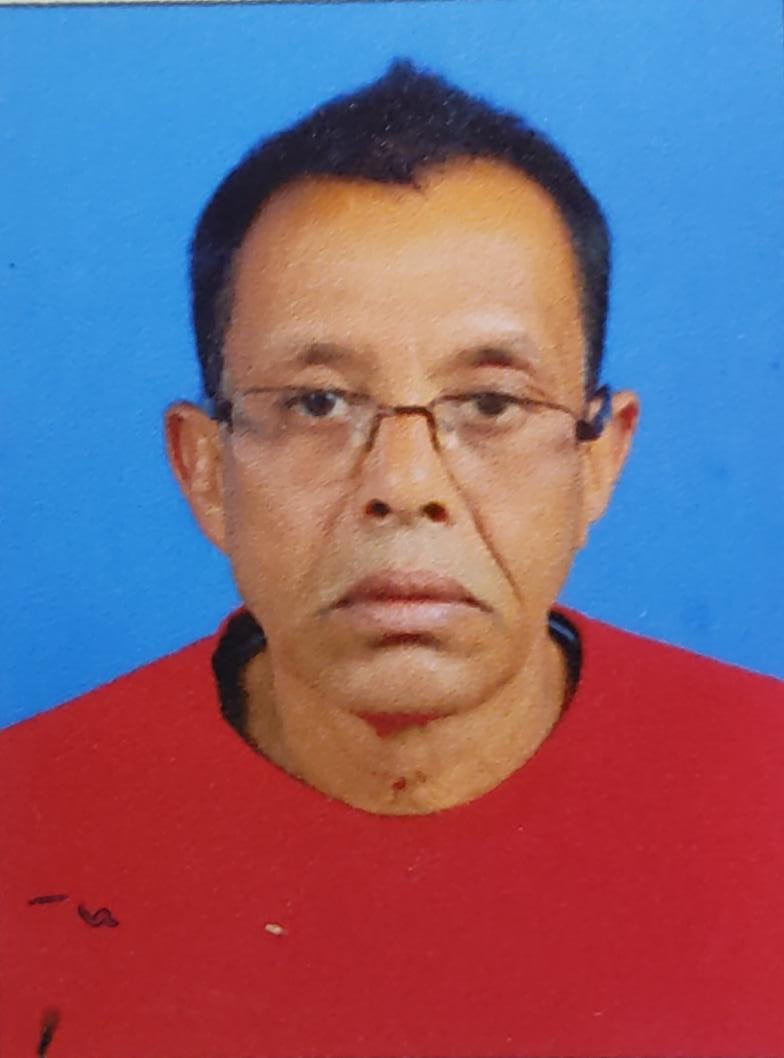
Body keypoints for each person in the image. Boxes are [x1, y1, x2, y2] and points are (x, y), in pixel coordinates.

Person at [2, 60, 783, 1058]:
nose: (405, 484)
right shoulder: (23, 825)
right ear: (204, 469)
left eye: (490, 404)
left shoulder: (763, 786)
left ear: (598, 460)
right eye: (317, 402)